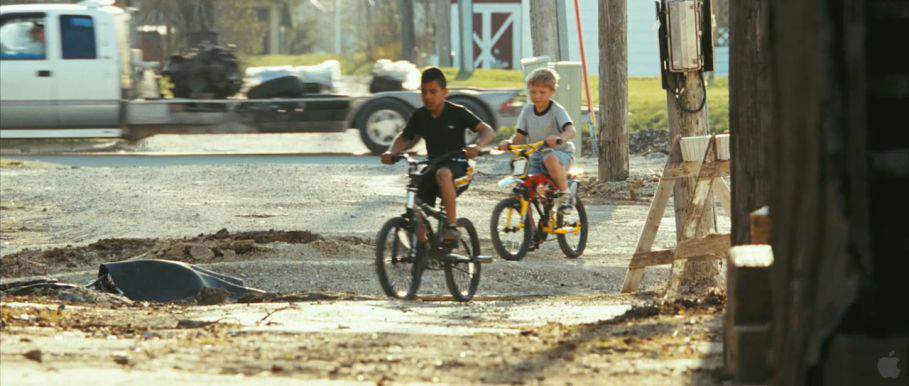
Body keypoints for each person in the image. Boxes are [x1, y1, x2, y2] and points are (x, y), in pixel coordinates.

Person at [382, 67, 494, 242]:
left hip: (458, 165)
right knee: (415, 192)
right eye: (423, 92)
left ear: (445, 92)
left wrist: (477, 146)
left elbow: (487, 130)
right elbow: (404, 138)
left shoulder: (458, 112)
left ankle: (452, 227)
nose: (427, 96)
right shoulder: (420, 115)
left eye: (433, 92)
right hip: (433, 165)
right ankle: (423, 248)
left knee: (443, 173)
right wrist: (391, 151)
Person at [499, 67, 577, 214]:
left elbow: (571, 130)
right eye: (533, 92)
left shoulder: (557, 110)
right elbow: (519, 136)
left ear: (552, 92)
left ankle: (566, 195)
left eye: (542, 92)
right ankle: (527, 218)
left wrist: (560, 139)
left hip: (559, 154)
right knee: (520, 177)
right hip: (535, 156)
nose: (537, 96)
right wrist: (509, 143)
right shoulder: (527, 111)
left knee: (549, 158)